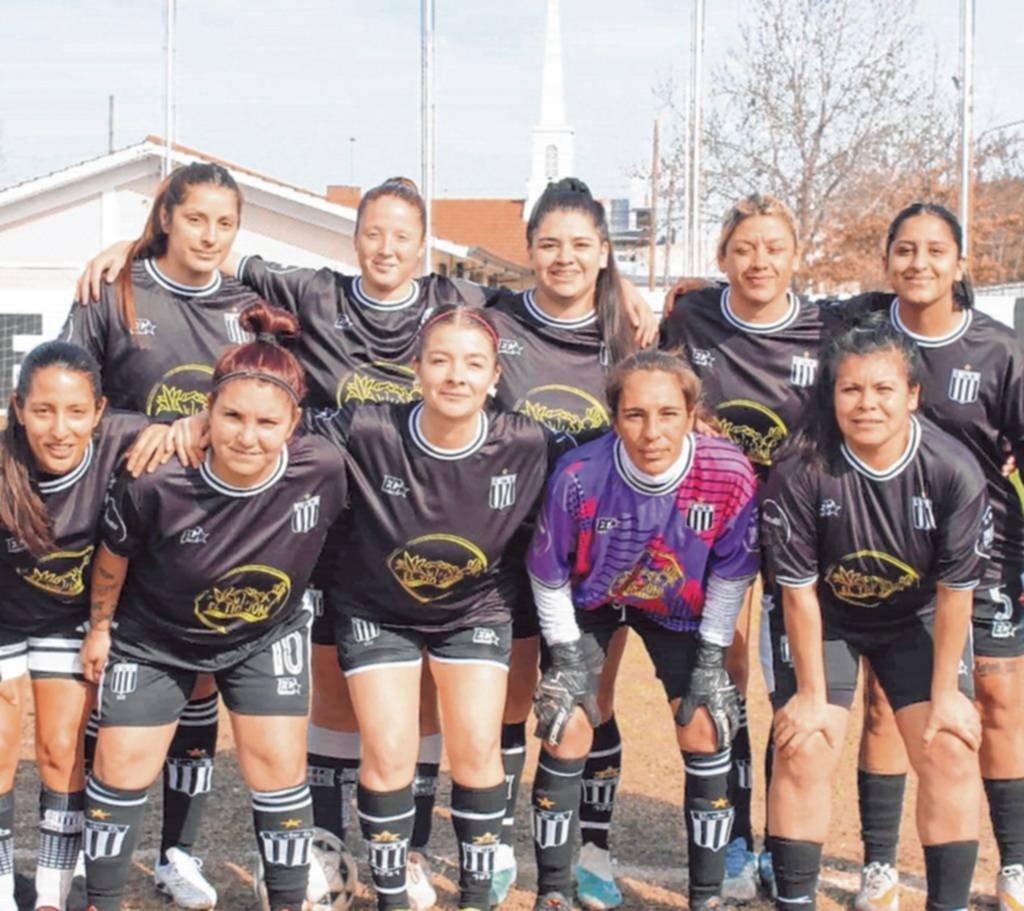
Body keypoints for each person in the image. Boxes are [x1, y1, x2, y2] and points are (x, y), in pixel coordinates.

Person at [78, 175, 657, 911]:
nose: (387, 247)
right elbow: (220, 268)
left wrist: (623, 288)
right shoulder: (322, 321)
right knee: (352, 717)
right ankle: (326, 846)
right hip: (351, 539)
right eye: (373, 232)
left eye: (403, 236)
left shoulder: (477, 320)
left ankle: (463, 861)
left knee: (480, 730)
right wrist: (135, 257)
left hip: (481, 565)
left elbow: (569, 319)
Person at [81, 303, 349, 911]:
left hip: (265, 634)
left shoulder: (323, 467)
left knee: (277, 766)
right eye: (231, 416)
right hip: (155, 637)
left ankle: (287, 902)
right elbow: (113, 555)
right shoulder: (158, 476)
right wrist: (99, 628)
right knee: (121, 766)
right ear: (207, 411)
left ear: (294, 423)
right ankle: (99, 900)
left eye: (266, 421)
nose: (247, 436)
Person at [65, 160, 266, 909]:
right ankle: (88, 845)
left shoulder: (250, 306)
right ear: (167, 218)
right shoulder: (112, 289)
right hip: (118, 516)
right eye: (195, 219)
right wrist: (154, 429)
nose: (210, 235)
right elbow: (70, 397)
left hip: (213, 526)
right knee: (107, 683)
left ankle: (179, 851)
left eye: (225, 223)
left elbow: (280, 394)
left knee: (199, 683)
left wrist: (202, 426)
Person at [761, 314, 989, 911]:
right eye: (851, 389)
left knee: (950, 746)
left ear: (912, 395)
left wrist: (947, 694)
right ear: (832, 394)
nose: (867, 404)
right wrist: (810, 695)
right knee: (806, 744)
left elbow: (955, 592)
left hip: (914, 618)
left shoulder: (953, 469)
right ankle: (794, 902)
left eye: (884, 388)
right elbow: (798, 592)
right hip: (826, 618)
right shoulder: (799, 470)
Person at [524, 348, 759, 911]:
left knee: (705, 722)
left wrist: (711, 659)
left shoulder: (728, 472)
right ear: (614, 418)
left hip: (679, 605)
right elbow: (548, 574)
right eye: (635, 415)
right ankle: (556, 887)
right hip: (591, 599)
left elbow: (732, 574)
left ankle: (706, 895)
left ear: (692, 414)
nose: (652, 432)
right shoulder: (579, 474)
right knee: (567, 721)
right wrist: (566, 658)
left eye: (668, 414)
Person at [843, 205, 1024, 911]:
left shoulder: (999, 350)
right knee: (886, 704)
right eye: (906, 250)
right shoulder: (861, 331)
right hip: (885, 554)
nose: (920, 263)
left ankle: (1015, 866)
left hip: (986, 554)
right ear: (887, 258)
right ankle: (879, 866)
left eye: (935, 250)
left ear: (959, 262)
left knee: (998, 700)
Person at [660, 193, 840, 900]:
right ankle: (732, 836)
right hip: (716, 528)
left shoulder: (831, 325)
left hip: (802, 529)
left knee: (789, 682)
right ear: (722, 257)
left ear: (796, 255)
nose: (759, 261)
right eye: (744, 248)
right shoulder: (691, 318)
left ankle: (779, 840)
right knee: (724, 673)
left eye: (773, 247)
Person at [483, 178, 641, 909]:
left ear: (605, 252)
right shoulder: (494, 319)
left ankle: (593, 850)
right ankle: (500, 842)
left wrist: (628, 292)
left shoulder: (629, 336)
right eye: (549, 243)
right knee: (515, 696)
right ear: (529, 250)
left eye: (581, 244)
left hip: (597, 554)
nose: (565, 257)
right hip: (510, 543)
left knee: (590, 698)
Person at [0, 341, 166, 911]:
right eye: (43, 411)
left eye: (75, 412)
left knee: (60, 748)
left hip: (70, 617)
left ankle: (53, 892)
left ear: (99, 411)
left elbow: (198, 428)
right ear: (17, 409)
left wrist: (182, 428)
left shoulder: (125, 439)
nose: (59, 429)